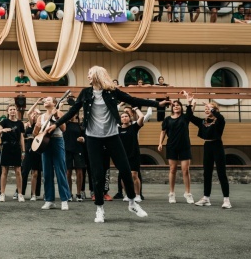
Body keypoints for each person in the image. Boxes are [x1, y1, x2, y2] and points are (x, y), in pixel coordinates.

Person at [49, 66, 170, 223]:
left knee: (125, 170)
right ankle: (100, 209)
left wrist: (157, 104)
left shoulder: (112, 92)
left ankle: (132, 202)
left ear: (98, 75)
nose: (88, 76)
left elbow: (133, 100)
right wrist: (56, 123)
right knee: (97, 174)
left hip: (112, 136)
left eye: (90, 73)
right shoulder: (85, 93)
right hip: (93, 138)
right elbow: (72, 111)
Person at [183, 92, 232, 209]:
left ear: (214, 110)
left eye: (208, 108)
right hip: (207, 146)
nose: (206, 110)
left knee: (221, 173)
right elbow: (189, 117)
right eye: (205, 109)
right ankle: (206, 198)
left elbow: (220, 117)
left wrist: (212, 108)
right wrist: (189, 103)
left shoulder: (219, 121)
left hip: (217, 146)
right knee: (207, 173)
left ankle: (226, 200)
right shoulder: (203, 122)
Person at [34, 96, 70, 211]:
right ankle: (49, 200)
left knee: (60, 170)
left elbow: (64, 129)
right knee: (47, 172)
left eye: (48, 100)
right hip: (45, 143)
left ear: (54, 103)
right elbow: (36, 133)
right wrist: (37, 126)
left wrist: (56, 116)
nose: (45, 101)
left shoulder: (59, 112)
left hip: (57, 140)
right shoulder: (40, 117)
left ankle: (64, 200)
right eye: (45, 100)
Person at [158, 100, 195, 204]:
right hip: (172, 146)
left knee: (185, 170)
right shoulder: (167, 119)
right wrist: (160, 143)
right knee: (172, 169)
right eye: (174, 105)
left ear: (181, 107)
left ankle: (188, 193)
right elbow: (163, 132)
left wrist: (190, 101)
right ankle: (171, 193)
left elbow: (191, 109)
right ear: (172, 108)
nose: (175, 107)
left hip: (184, 146)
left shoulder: (185, 117)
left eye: (178, 105)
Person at [0, 104, 25, 202]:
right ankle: (2, 194)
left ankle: (20, 194)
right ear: (7, 111)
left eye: (14, 109)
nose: (12, 111)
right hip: (6, 147)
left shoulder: (20, 123)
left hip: (16, 147)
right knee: (4, 171)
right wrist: (3, 130)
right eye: (11, 109)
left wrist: (23, 151)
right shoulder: (4, 122)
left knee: (18, 171)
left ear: (16, 111)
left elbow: (21, 138)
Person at [118, 108, 145, 202]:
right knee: (123, 176)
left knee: (134, 175)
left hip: (133, 155)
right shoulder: (117, 129)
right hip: (122, 156)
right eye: (122, 117)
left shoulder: (134, 127)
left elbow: (141, 117)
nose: (124, 118)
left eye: (126, 116)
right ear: (120, 119)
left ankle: (137, 195)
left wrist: (136, 109)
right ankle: (128, 194)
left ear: (129, 118)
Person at [21, 107, 42, 201]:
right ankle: (20, 192)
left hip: (37, 151)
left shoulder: (40, 125)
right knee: (24, 172)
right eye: (34, 113)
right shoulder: (28, 124)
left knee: (35, 173)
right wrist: (37, 102)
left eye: (37, 113)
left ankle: (34, 194)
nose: (35, 115)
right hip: (28, 150)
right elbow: (28, 113)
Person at [64, 115, 86, 202]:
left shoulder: (80, 125)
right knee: (68, 171)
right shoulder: (65, 124)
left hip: (78, 149)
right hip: (67, 149)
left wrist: (83, 139)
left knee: (79, 171)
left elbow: (85, 136)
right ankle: (68, 193)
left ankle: (79, 194)